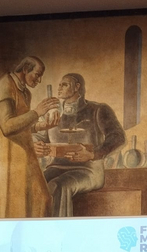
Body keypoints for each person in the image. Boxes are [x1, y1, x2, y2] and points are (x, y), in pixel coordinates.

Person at [0, 56, 59, 219]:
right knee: (19, 205)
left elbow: (21, 125)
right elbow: (7, 126)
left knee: (42, 200)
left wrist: (41, 126)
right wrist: (36, 112)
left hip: (22, 155)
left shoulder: (24, 92)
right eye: (37, 75)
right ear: (26, 69)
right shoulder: (4, 86)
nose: (39, 80)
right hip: (6, 158)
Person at [34, 72, 126, 216]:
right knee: (35, 184)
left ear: (77, 87)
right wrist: (35, 146)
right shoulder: (53, 115)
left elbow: (118, 137)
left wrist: (93, 154)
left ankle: (60, 227)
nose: (60, 88)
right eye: (59, 85)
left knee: (59, 185)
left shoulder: (98, 110)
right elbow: (38, 137)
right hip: (56, 167)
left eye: (65, 84)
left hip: (89, 170)